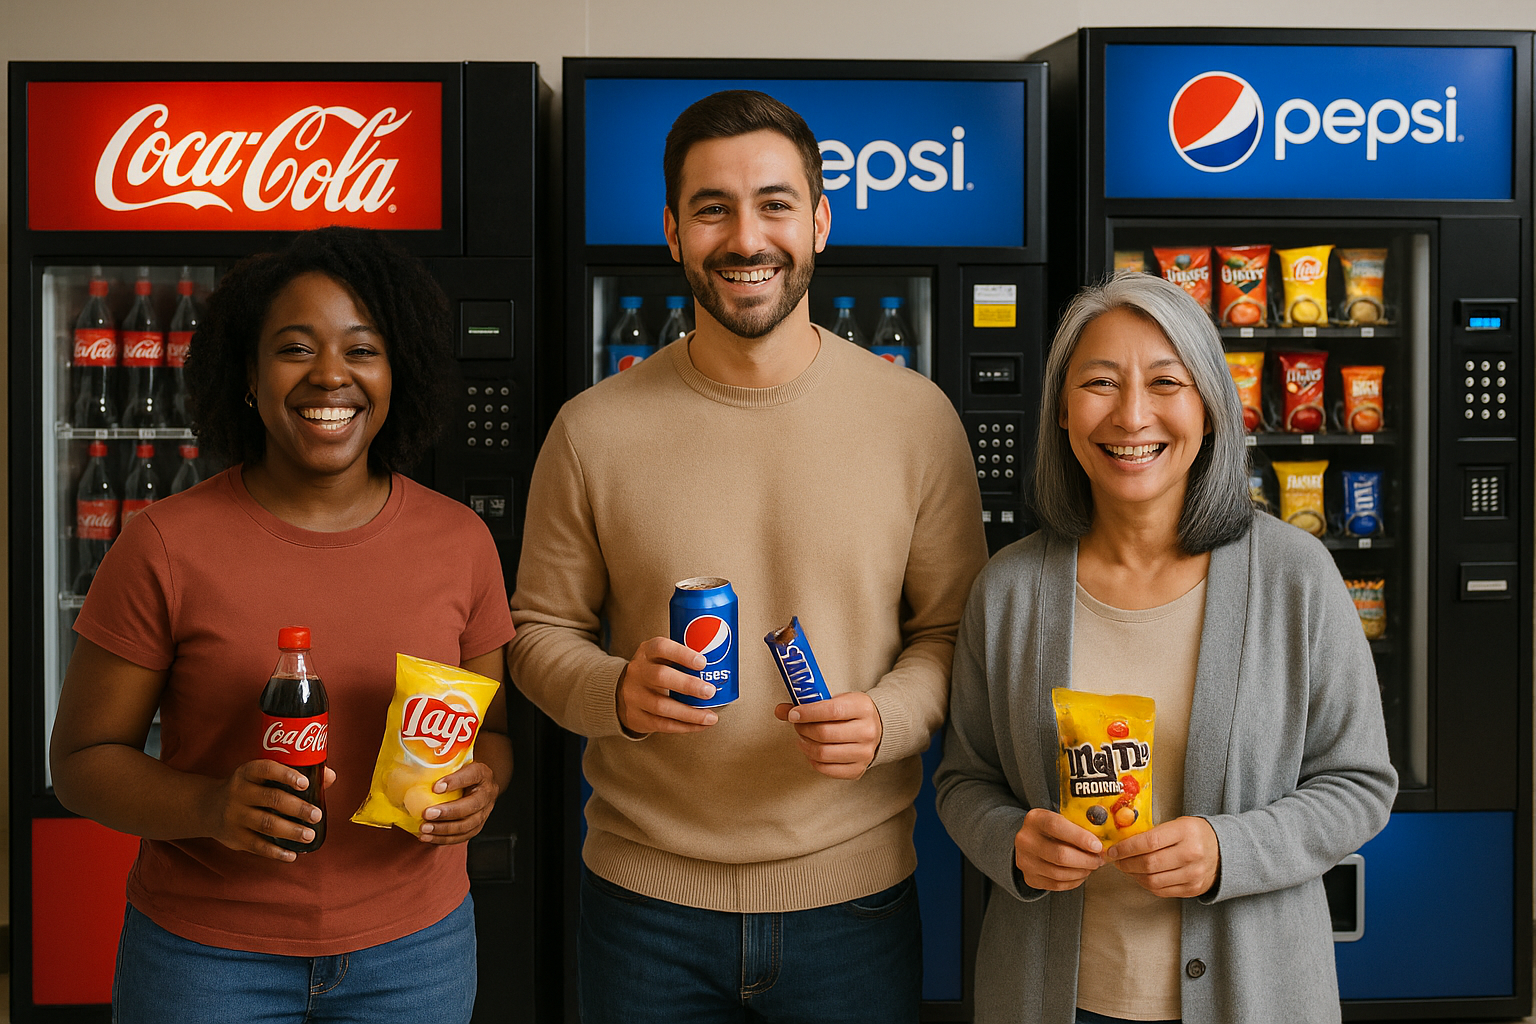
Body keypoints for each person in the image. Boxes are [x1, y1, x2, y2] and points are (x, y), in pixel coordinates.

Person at [507, 90, 988, 1023]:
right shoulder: (590, 431)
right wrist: (615, 693)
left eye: (773, 204)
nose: (746, 237)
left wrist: (888, 717)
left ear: (819, 222)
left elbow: (954, 632)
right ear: (673, 233)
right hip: (643, 905)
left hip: (854, 899)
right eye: (712, 208)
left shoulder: (915, 419)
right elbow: (536, 634)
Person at [50, 227, 515, 1024]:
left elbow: (494, 734)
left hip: (417, 952)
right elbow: (83, 763)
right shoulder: (163, 545)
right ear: (247, 377)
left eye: (362, 350)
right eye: (295, 348)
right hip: (205, 959)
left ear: (398, 374)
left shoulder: (460, 543)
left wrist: (483, 786)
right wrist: (208, 809)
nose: (331, 374)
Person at [934, 272, 1398, 1024]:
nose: (1131, 414)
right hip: (1050, 998)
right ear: (1060, 408)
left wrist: (1229, 851)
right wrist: (1012, 842)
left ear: (1210, 408)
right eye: (1099, 382)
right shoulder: (1010, 589)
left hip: (1255, 997)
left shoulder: (1293, 575)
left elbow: (1360, 783)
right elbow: (964, 782)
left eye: (1164, 381)